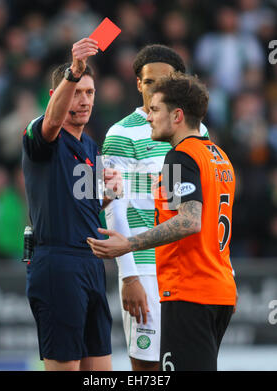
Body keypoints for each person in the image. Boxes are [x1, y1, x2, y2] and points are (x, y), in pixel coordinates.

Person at [88, 72, 237, 371]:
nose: (149, 118)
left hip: (189, 292)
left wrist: (128, 244)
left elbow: (189, 221)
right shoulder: (218, 155)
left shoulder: (179, 158)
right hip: (220, 289)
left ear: (177, 115)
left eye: (155, 110)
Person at [102, 44, 209, 371]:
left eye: (165, 82)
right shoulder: (120, 134)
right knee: (147, 367)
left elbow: (199, 204)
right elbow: (113, 208)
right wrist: (129, 277)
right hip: (146, 269)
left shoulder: (196, 132)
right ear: (138, 84)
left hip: (187, 268)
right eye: (149, 82)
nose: (156, 90)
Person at [22, 38, 122, 371]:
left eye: (89, 93)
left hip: (92, 263)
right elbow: (51, 123)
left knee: (101, 373)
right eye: (77, 91)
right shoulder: (41, 133)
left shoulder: (91, 146)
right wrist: (73, 71)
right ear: (57, 96)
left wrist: (109, 193)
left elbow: (85, 204)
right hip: (58, 264)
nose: (84, 100)